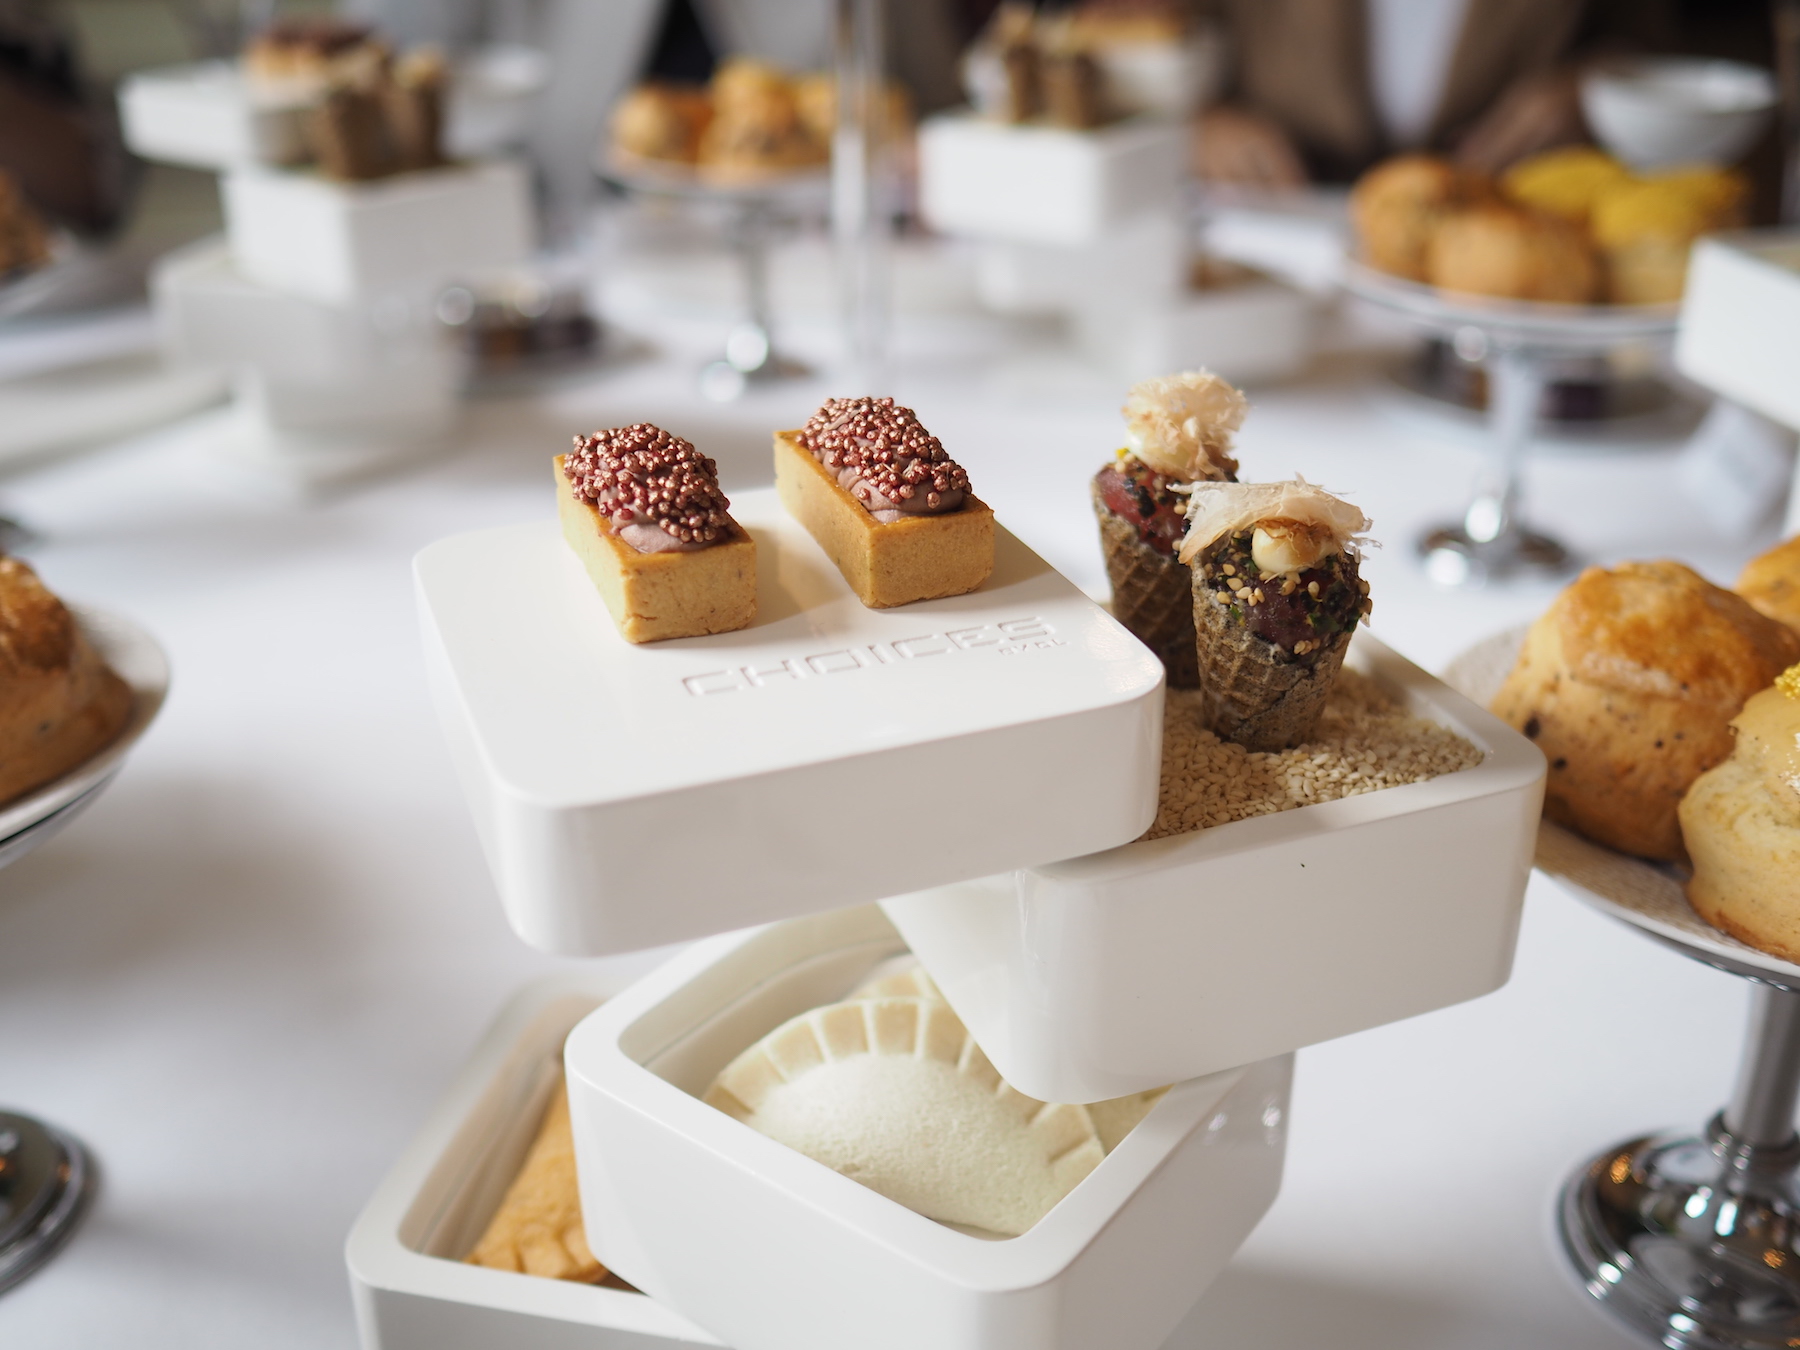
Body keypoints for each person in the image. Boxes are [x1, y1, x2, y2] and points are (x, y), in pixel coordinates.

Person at [1193, 0, 1675, 186]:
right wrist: (1197, 123)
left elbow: (1657, 49)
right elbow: (1161, 45)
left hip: (1500, 263)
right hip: (1273, 251)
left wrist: (1600, 92)